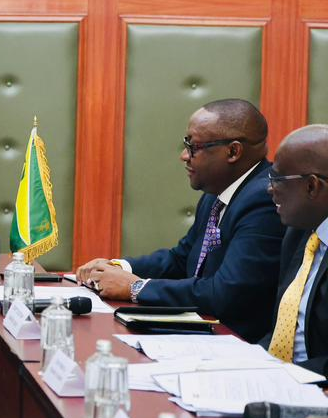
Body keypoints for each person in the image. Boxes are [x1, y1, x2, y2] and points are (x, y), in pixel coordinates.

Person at [76, 99, 281, 342]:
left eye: (194, 147)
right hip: (201, 332)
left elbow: (226, 292)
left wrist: (136, 287)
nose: (184, 156)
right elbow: (182, 259)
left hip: (236, 343)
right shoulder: (216, 195)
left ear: (233, 151)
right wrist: (119, 267)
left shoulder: (265, 199)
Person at [262, 125, 328, 373]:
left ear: (312, 186)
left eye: (277, 179)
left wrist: (280, 376)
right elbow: (283, 331)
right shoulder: (300, 232)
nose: (270, 189)